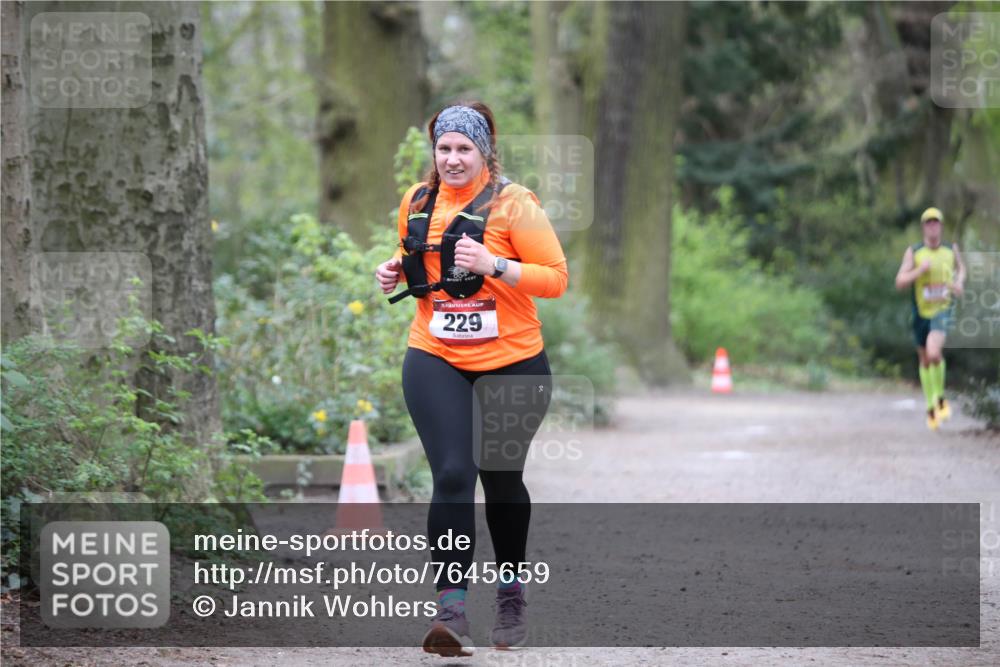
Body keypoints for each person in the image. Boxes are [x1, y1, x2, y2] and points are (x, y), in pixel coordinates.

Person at [375, 102, 568, 656]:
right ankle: (451, 612)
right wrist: (394, 268)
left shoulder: (516, 204)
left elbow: (556, 279)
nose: (453, 158)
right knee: (453, 474)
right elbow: (419, 255)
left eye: (464, 148)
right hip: (436, 356)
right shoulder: (417, 200)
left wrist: (495, 265)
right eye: (444, 148)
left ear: (485, 152)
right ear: (434, 152)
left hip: (513, 362)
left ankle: (510, 596)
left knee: (501, 479)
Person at [894, 207, 966, 431]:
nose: (932, 226)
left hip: (942, 310)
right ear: (923, 227)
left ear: (941, 226)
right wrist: (919, 271)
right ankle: (930, 407)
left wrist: (959, 283)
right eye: (928, 222)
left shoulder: (950, 249)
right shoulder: (914, 252)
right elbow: (900, 282)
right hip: (920, 313)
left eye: (936, 222)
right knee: (925, 359)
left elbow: (961, 269)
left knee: (934, 352)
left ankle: (940, 398)